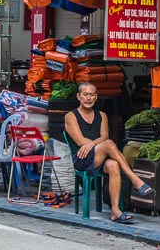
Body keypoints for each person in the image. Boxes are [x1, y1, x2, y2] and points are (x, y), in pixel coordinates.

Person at [65, 82, 154, 224]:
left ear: (96, 97)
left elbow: (104, 136)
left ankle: (115, 211)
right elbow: (82, 142)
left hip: (100, 156)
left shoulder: (102, 115)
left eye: (92, 95)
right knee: (109, 144)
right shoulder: (71, 116)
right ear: (79, 96)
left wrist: (93, 143)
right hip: (82, 158)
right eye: (85, 94)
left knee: (113, 164)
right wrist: (98, 143)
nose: (88, 98)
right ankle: (135, 179)